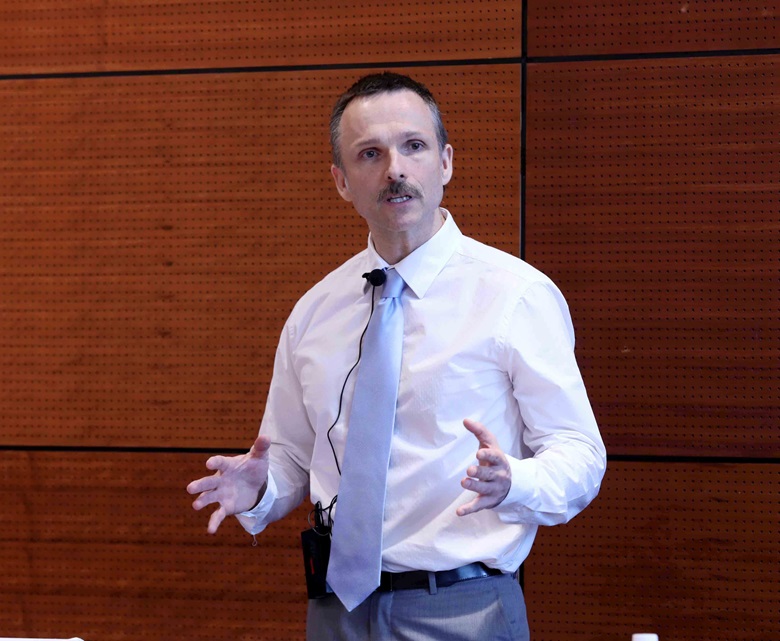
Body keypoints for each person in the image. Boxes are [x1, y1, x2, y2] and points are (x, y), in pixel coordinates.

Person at [187, 72, 606, 640]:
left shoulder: (514, 295)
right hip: (337, 610)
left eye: (414, 146)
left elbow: (581, 455)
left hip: (464, 607)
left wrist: (516, 481)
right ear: (341, 181)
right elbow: (290, 457)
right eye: (370, 153)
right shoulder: (315, 311)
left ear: (446, 163)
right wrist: (259, 490)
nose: (395, 170)